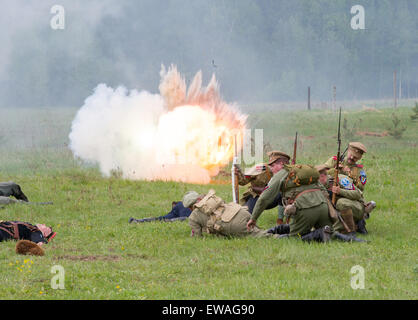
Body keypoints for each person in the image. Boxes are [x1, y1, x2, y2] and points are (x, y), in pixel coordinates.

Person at [247, 163, 366, 243]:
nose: (272, 168)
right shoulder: (304, 172)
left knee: (295, 238)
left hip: (305, 209)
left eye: (273, 165)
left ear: (279, 165)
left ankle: (319, 233)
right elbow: (323, 189)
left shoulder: (279, 176)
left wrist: (253, 219)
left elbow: (263, 198)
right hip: (323, 206)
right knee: (331, 231)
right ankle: (344, 237)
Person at [323, 142, 375, 234]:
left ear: (359, 158)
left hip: (349, 197)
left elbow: (361, 188)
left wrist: (349, 174)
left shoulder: (359, 170)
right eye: (351, 155)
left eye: (355, 157)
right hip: (330, 193)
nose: (351, 158)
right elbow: (322, 174)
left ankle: (358, 220)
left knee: (342, 204)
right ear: (348, 151)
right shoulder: (334, 160)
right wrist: (335, 169)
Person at [185, 189, 279, 238]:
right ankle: (282, 229)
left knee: (261, 236)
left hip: (234, 223)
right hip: (241, 212)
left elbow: (197, 236)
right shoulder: (211, 198)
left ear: (190, 206)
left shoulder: (193, 217)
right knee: (258, 231)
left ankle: (287, 236)